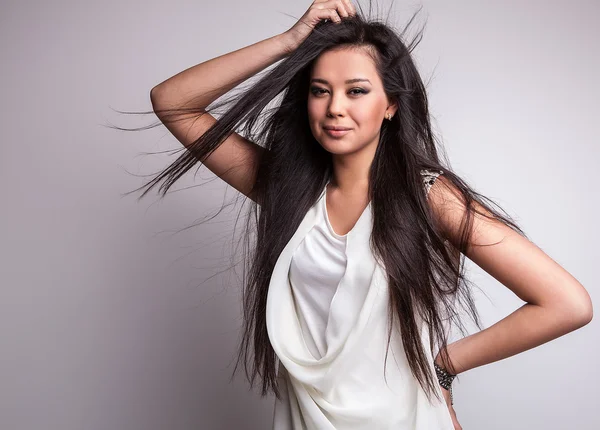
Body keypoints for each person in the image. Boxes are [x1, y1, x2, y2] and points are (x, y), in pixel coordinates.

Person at [136, 1, 593, 429]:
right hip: (308, 417)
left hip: (404, 417)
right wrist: (289, 43)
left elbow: (567, 304)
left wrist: (443, 366)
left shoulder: (430, 197)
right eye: (320, 91)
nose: (335, 107)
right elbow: (173, 102)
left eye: (357, 91)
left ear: (391, 104)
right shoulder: (288, 192)